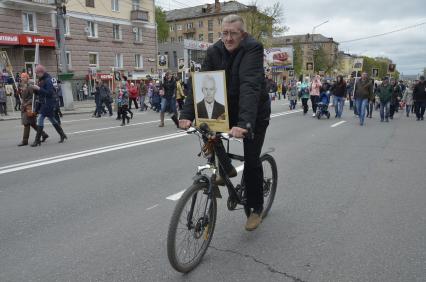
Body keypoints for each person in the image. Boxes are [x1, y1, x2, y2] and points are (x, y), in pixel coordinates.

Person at [179, 14, 271, 231]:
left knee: (251, 160)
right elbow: (200, 85)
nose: (228, 39)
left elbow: (249, 86)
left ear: (243, 34)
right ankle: (227, 168)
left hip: (254, 112)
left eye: (233, 34)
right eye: (224, 34)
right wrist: (186, 114)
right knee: (206, 130)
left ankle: (255, 209)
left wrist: (244, 124)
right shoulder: (214, 51)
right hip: (228, 109)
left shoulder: (253, 49)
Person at [30, 64, 67, 146]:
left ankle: (37, 140)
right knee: (52, 119)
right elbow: (39, 93)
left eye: (37, 73)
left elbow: (49, 93)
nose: (36, 74)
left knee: (40, 119)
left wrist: (39, 88)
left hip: (49, 103)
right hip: (44, 103)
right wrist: (35, 89)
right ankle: (62, 135)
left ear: (41, 72)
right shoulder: (41, 80)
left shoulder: (48, 80)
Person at [17, 72, 49, 146]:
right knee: (33, 124)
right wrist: (18, 92)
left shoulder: (30, 86)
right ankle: (44, 134)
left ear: (27, 78)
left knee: (26, 124)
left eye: (24, 77)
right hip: (24, 107)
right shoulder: (21, 86)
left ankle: (25, 141)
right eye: (21, 77)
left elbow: (33, 98)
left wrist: (26, 103)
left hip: (29, 107)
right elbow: (22, 96)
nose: (22, 78)